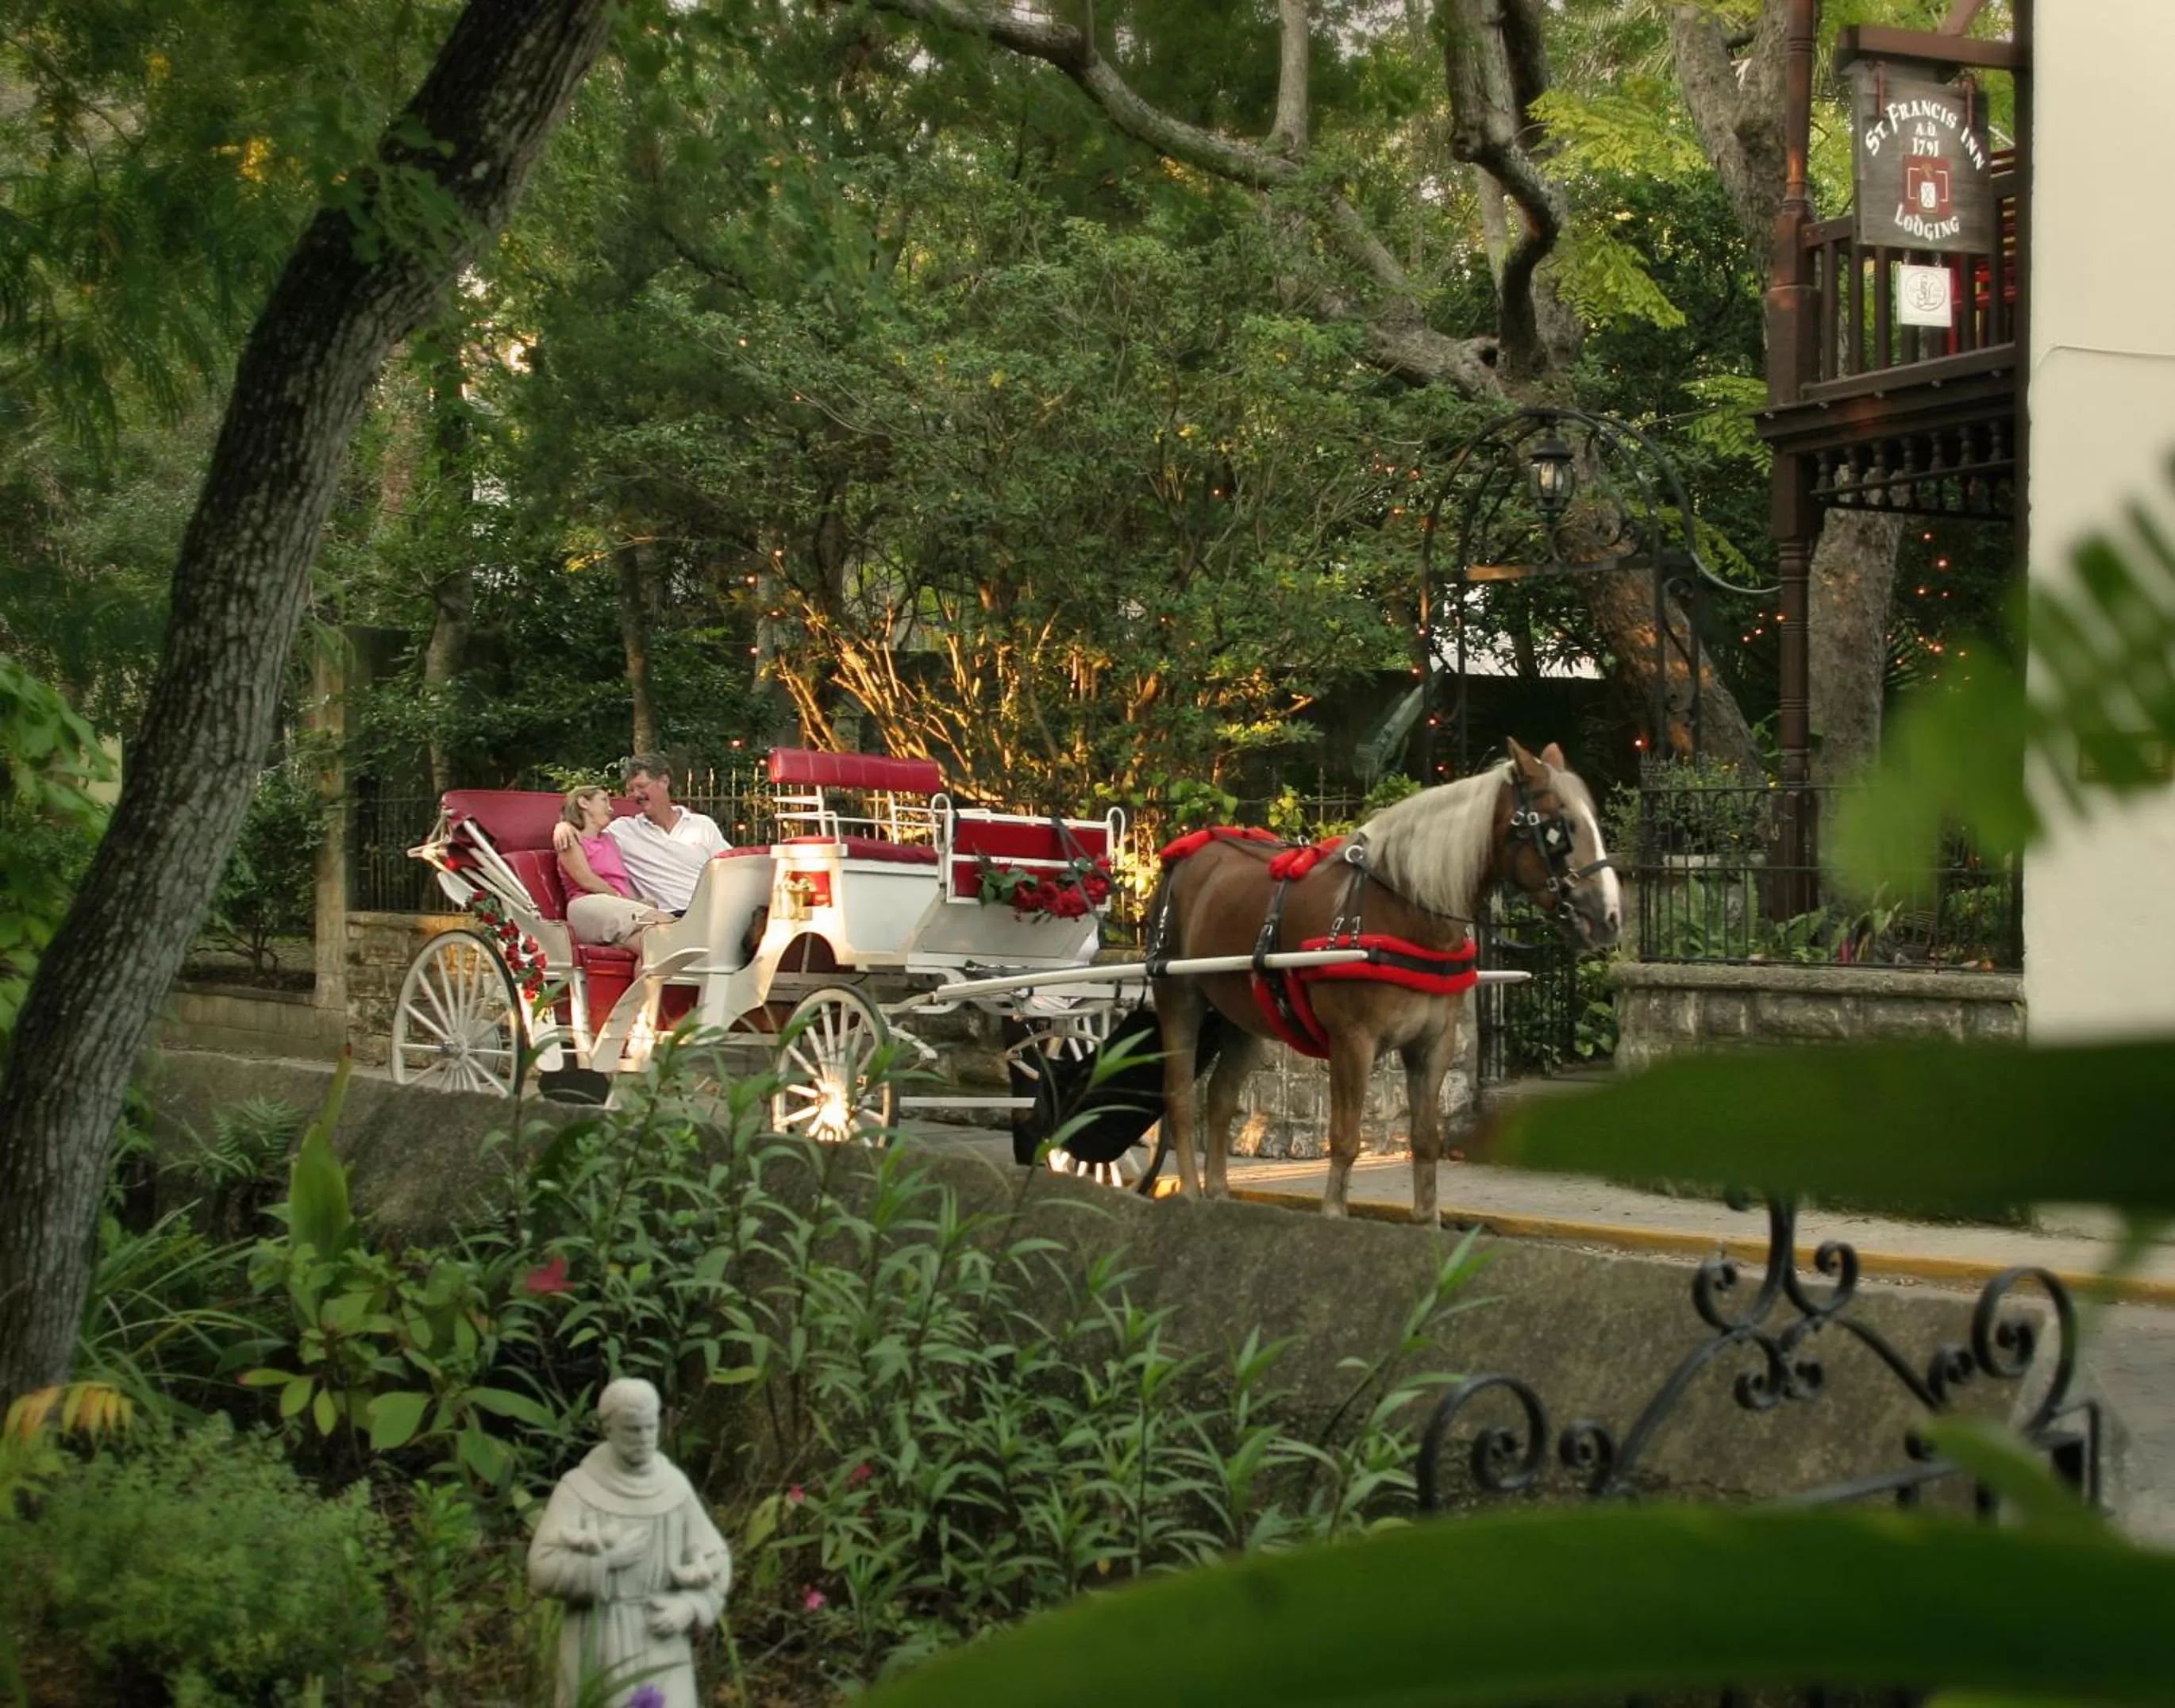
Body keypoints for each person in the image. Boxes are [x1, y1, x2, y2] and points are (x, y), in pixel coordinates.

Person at [528, 1378, 731, 1708]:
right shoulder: (579, 1488)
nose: (644, 1438)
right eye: (632, 1429)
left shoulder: (674, 1487)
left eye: (650, 1427)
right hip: (597, 1638)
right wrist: (604, 1562)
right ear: (608, 1429)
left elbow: (715, 1559)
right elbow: (541, 1569)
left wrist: (691, 1605)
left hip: (663, 1639)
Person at [552, 755, 727, 917]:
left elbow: (731, 865)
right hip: (671, 916)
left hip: (714, 910)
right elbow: (586, 835)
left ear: (664, 782)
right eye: (631, 790)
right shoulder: (622, 831)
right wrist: (564, 826)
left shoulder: (702, 825)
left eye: (641, 786)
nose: (635, 795)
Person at [559, 787, 669, 948]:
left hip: (617, 907)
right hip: (588, 906)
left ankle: (649, 974)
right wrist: (627, 901)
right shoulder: (569, 837)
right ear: (583, 803)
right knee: (670, 924)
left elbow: (621, 880)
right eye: (604, 800)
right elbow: (586, 880)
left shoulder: (610, 839)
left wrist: (637, 902)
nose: (610, 809)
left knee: (655, 946)